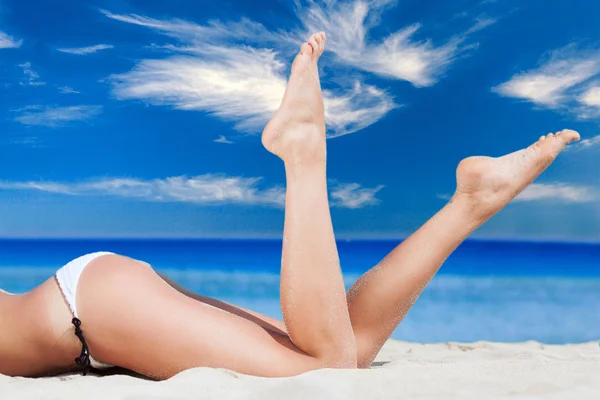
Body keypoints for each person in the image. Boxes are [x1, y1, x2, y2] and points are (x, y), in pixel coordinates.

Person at [0, 32, 580, 380]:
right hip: (96, 295)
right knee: (347, 347)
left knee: (324, 365)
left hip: (91, 313)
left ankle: (303, 155)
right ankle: (474, 201)